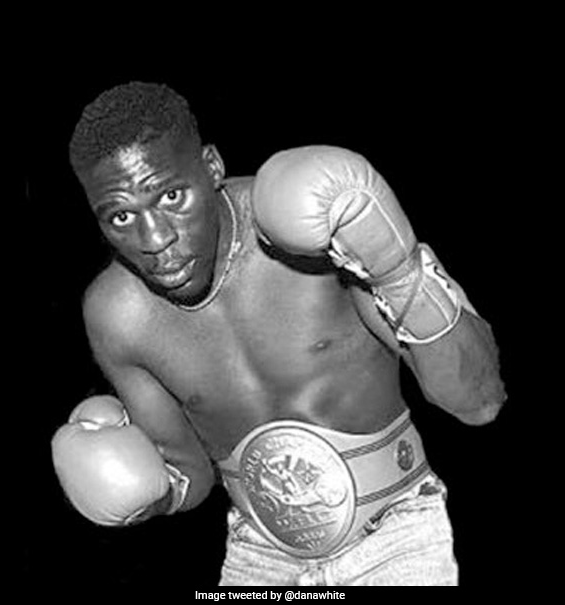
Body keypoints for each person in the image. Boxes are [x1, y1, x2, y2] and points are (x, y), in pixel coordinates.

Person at [51, 81, 506, 586]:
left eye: (172, 196)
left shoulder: (311, 237)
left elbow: (477, 401)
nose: (156, 240)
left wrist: (398, 272)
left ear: (212, 166)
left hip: (396, 538)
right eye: (121, 216)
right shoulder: (118, 315)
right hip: (257, 560)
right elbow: (189, 474)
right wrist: (148, 491)